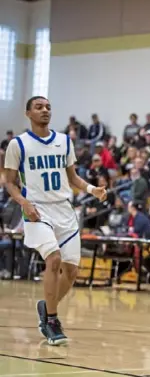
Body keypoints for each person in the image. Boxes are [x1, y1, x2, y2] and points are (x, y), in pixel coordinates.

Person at [3, 96, 106, 345]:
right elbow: (8, 182)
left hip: (64, 210)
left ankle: (46, 306)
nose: (45, 110)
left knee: (71, 272)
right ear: (28, 113)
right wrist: (24, 203)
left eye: (48, 106)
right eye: (39, 107)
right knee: (54, 258)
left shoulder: (64, 141)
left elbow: (73, 178)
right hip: (37, 210)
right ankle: (51, 320)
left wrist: (92, 189)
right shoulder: (18, 144)